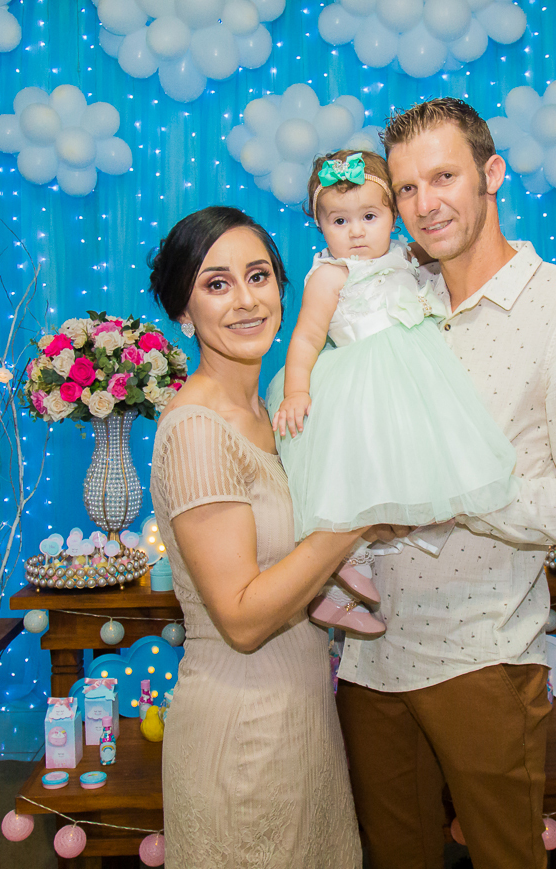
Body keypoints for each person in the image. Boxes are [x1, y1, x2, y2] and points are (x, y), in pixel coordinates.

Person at [334, 98, 556, 868]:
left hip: (483, 657)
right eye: (406, 188)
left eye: (443, 177)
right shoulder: (392, 299)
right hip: (369, 655)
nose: (424, 204)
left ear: (491, 173)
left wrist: (459, 494)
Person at [148, 206, 363, 868]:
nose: (245, 300)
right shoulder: (197, 430)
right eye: (216, 284)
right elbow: (241, 619)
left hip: (302, 721)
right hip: (243, 741)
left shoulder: (270, 407)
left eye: (259, 275)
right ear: (183, 312)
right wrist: (356, 521)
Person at [267, 148, 519, 638]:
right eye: (340, 221)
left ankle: (341, 590)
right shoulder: (331, 275)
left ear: (393, 217)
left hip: (414, 379)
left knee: (411, 471)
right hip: (362, 384)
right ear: (320, 226)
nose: (356, 232)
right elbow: (306, 337)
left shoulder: (405, 255)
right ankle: (344, 575)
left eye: (369, 216)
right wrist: (296, 389)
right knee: (359, 485)